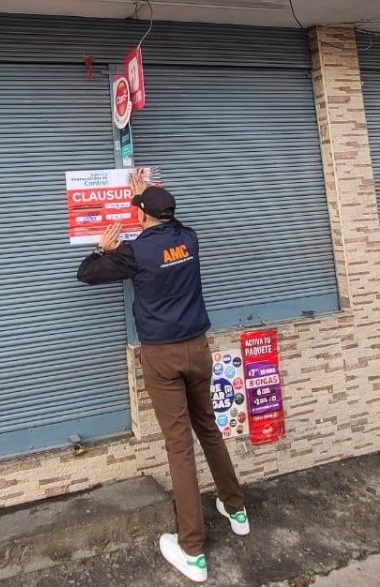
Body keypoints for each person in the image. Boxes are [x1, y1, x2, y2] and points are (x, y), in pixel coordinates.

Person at [76, 171, 247, 584]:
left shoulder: (135, 254)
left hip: (162, 357)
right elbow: (170, 221)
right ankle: (236, 509)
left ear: (140, 216)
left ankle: (192, 550)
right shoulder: (189, 239)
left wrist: (101, 250)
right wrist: (144, 195)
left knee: (178, 446)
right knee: (207, 427)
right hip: (198, 349)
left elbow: (87, 274)